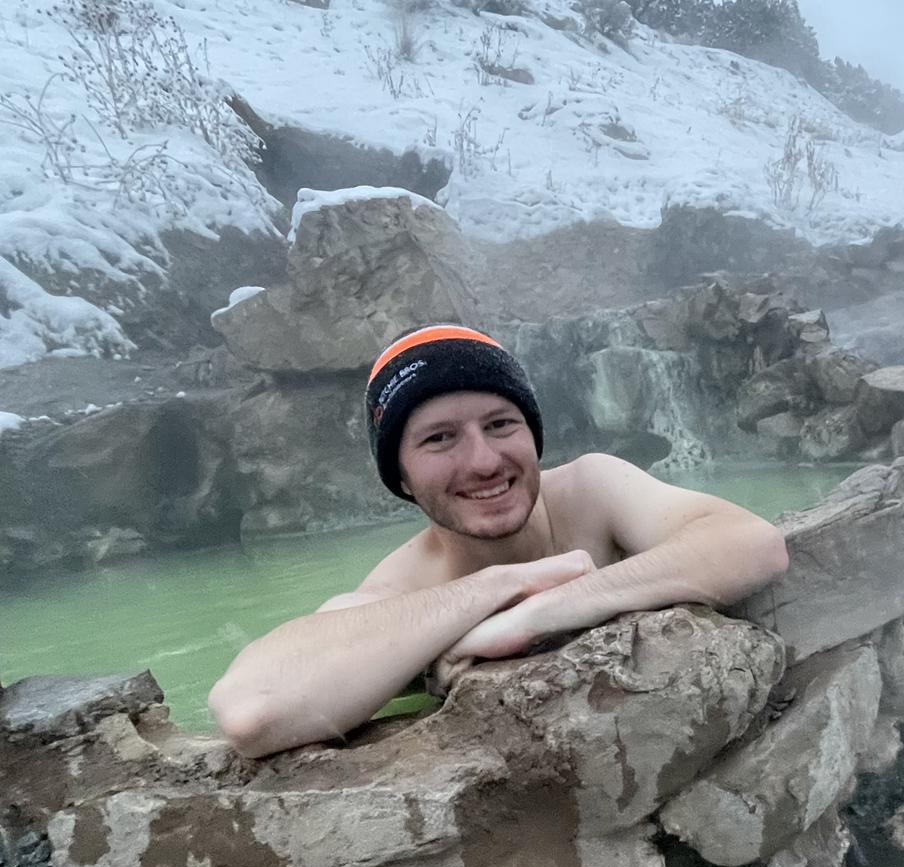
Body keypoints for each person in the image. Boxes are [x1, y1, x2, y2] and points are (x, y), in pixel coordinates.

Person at [209, 323, 789, 757]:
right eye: (440, 438)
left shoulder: (592, 489)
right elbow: (250, 711)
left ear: (533, 435)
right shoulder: (399, 589)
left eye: (500, 424)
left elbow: (752, 542)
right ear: (401, 478)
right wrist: (500, 585)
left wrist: (538, 613)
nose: (484, 461)